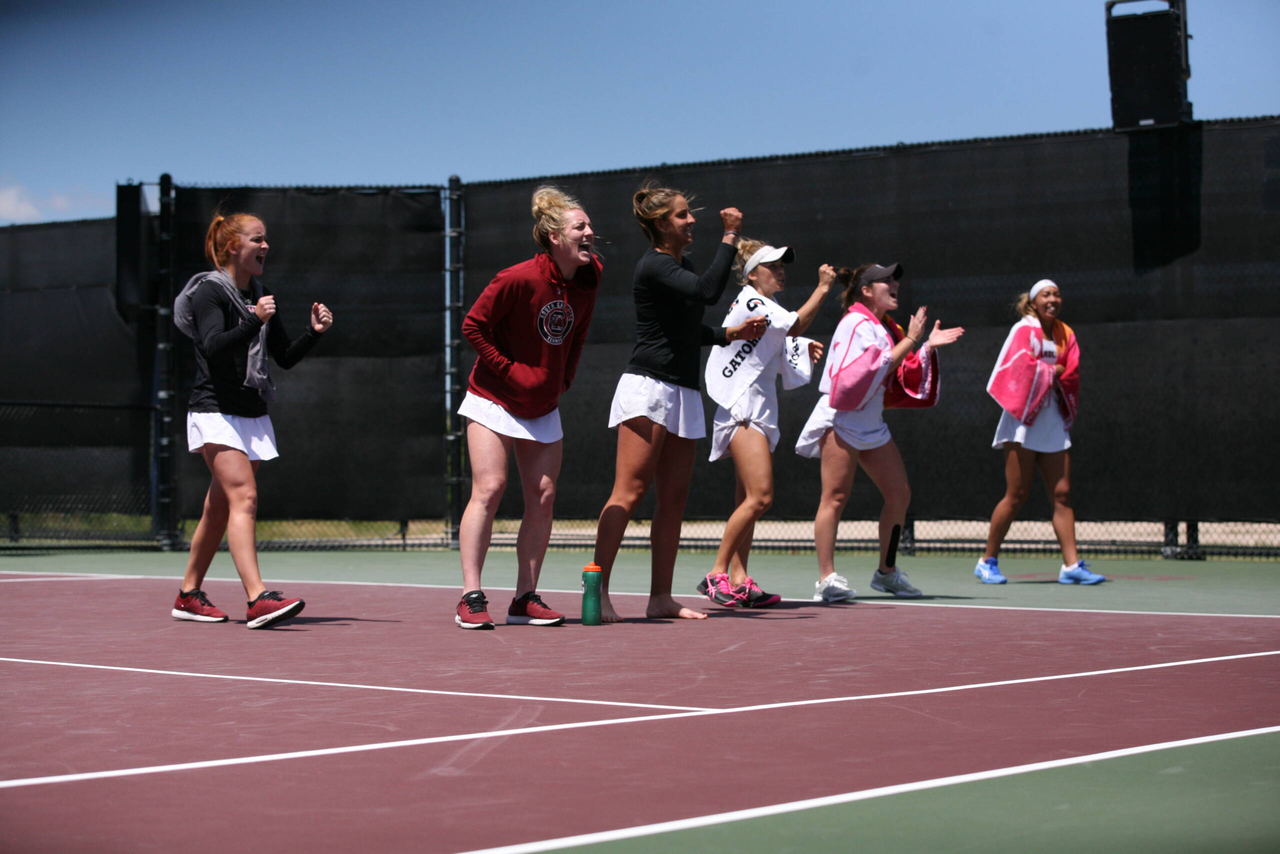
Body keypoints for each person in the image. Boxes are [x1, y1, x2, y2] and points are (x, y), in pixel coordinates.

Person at [591, 183, 767, 622]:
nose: (692, 222)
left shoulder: (680, 265)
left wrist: (732, 334)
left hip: (684, 393)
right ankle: (598, 591)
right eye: (682, 215)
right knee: (629, 493)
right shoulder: (653, 266)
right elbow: (708, 291)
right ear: (660, 223)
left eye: (691, 214)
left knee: (674, 498)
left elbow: (690, 329)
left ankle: (660, 598)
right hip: (647, 389)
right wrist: (730, 236)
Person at [171, 212, 332, 629]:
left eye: (266, 240)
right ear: (232, 248)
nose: (265, 247)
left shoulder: (262, 294)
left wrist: (313, 333)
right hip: (215, 410)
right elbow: (212, 347)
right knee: (245, 497)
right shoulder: (211, 292)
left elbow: (282, 357)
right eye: (257, 240)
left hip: (252, 411)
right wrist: (252, 319)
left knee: (218, 508)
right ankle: (257, 597)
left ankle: (188, 594)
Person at [454, 187, 600, 629]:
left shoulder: (590, 276)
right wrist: (509, 369)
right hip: (493, 397)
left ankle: (525, 597)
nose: (590, 232)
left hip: (542, 403)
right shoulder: (516, 278)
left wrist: (564, 376)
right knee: (491, 487)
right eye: (580, 226)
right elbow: (473, 325)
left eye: (590, 225)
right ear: (555, 237)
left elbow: (578, 332)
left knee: (543, 496)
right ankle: (471, 597)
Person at [796, 263, 963, 601]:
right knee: (835, 497)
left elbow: (893, 365)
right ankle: (826, 580)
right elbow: (863, 372)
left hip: (871, 423)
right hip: (840, 419)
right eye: (885, 280)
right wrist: (914, 340)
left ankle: (886, 573)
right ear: (866, 291)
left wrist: (924, 345)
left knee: (899, 494)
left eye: (894, 279)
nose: (894, 284)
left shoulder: (885, 328)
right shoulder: (854, 323)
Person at [699, 240, 833, 607]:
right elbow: (794, 323)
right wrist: (822, 288)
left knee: (747, 499)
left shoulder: (764, 307)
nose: (780, 270)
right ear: (752, 275)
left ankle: (740, 580)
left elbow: (781, 338)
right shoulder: (751, 300)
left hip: (757, 409)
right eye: (772, 265)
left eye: (782, 265)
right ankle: (716, 573)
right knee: (761, 496)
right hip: (743, 409)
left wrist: (801, 345)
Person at [976, 279, 1104, 585]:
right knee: (1016, 494)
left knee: (1062, 493)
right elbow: (1017, 366)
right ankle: (986, 561)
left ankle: (1071, 566)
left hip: (1051, 419)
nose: (1053, 299)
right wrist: (1052, 371)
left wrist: (1055, 372)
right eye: (1046, 294)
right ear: (1033, 302)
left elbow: (1070, 367)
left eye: (1057, 294)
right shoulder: (1023, 330)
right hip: (1021, 419)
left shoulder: (1064, 333)